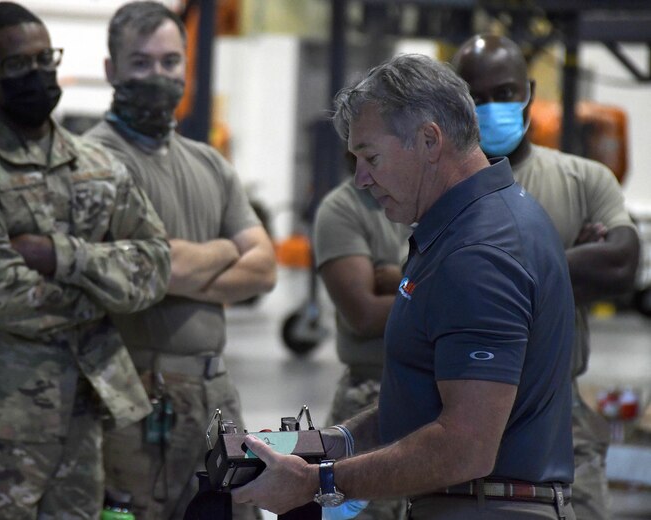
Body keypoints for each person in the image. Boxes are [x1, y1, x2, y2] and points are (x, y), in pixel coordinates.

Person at [232, 53, 577, 519]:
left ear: (429, 140)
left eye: (370, 157)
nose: (361, 178)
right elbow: (430, 401)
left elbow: (464, 446)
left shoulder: (479, 253)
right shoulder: (477, 223)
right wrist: (335, 442)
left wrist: (320, 482)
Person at [0, 2, 171, 518]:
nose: (37, 74)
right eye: (15, 65)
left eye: (44, 58)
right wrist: (103, 291)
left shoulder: (98, 166)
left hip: (79, 426)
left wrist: (61, 257)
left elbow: (156, 266)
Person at [85, 2, 276, 519]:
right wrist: (223, 250)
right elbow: (148, 267)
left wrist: (171, 266)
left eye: (170, 62)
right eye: (141, 63)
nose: (158, 75)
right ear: (111, 71)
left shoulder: (209, 163)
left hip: (216, 397)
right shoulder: (91, 163)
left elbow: (263, 268)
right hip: (136, 404)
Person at [452, 34, 641, 520]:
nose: (493, 107)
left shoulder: (584, 178)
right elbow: (440, 291)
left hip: (560, 410)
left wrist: (495, 271)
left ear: (530, 91)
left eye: (506, 92)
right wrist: (569, 259)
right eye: (478, 96)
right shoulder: (439, 190)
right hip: (458, 409)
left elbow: (621, 264)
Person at [313, 166, 410, 520]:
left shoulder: (442, 200)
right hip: (370, 394)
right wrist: (446, 293)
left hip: (440, 398)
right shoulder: (343, 208)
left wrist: (400, 281)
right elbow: (365, 316)